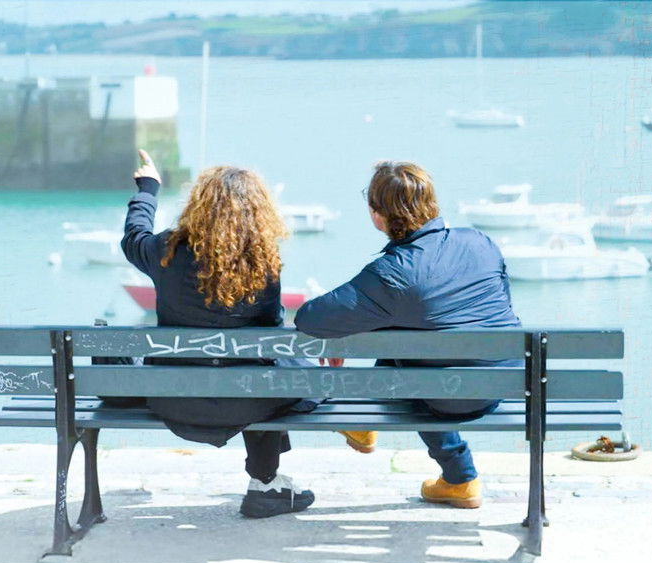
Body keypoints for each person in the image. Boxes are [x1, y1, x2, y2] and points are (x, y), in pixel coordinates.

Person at [294, 161, 522, 510]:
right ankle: (458, 480)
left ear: (376, 215)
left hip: (448, 396)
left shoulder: (391, 273)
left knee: (414, 352)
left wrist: (348, 331)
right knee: (410, 329)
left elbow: (311, 318)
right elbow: (502, 306)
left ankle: (455, 473)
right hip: (503, 380)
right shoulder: (480, 242)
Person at [120, 150, 321, 518]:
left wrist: (148, 188)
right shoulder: (263, 263)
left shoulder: (165, 251)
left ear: (199, 205)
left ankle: (267, 482)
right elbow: (272, 333)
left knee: (259, 373)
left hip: (173, 398)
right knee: (270, 373)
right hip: (249, 400)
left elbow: (134, 235)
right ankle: (265, 482)